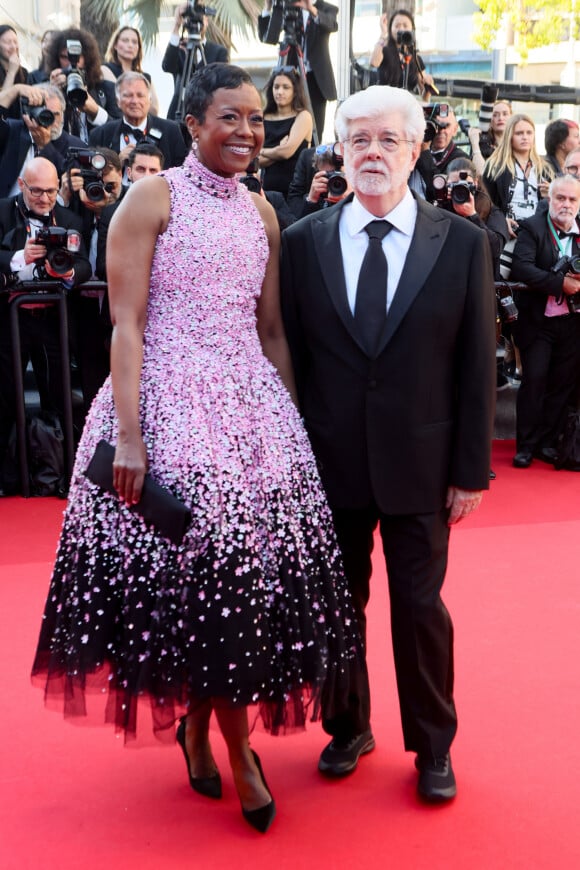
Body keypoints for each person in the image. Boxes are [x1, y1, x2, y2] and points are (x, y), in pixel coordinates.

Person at [31, 63, 360, 834]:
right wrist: (133, 437)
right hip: (168, 407)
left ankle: (206, 728)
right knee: (211, 566)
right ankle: (236, 744)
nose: (246, 131)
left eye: (255, 119)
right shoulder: (151, 198)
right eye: (229, 117)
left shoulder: (264, 212)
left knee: (248, 578)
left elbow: (271, 329)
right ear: (193, 124)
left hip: (251, 412)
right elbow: (128, 325)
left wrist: (290, 430)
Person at [281, 85, 496, 803]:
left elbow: (475, 366)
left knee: (420, 609)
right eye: (358, 140)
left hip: (423, 465)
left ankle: (434, 746)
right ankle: (349, 727)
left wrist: (470, 470)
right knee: (338, 606)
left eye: (387, 140)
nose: (372, 153)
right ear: (340, 149)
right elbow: (295, 361)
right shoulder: (303, 241)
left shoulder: (463, 243)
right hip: (329, 462)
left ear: (415, 149)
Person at [0, 157, 91, 495]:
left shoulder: (67, 218)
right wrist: (19, 258)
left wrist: (65, 272)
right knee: (7, 399)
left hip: (54, 321)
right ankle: (9, 478)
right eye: (37, 191)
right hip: (11, 320)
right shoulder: (3, 213)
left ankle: (63, 473)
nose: (44, 199)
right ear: (22, 185)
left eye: (52, 191)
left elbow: (83, 265)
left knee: (60, 397)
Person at [509, 174, 580, 468]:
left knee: (561, 385)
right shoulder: (533, 227)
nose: (566, 204)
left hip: (573, 324)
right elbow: (521, 268)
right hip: (538, 323)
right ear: (549, 199)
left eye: (572, 199)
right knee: (534, 382)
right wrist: (558, 283)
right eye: (560, 198)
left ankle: (547, 443)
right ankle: (525, 445)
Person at [259, 0, 338, 143]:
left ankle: (313, 162)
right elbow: (269, 38)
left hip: (316, 79)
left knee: (316, 130)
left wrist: (310, 9)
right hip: (291, 77)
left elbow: (332, 25)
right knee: (288, 126)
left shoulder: (327, 8)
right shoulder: (284, 6)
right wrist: (268, 7)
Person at [88, 71, 187, 171]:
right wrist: (116, 165)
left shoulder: (171, 131)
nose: (135, 101)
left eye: (140, 95)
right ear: (118, 101)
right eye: (128, 95)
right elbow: (92, 176)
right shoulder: (100, 135)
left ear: (150, 100)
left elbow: (182, 175)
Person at [0, 82, 86, 197]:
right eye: (44, 114)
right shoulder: (13, 131)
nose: (50, 122)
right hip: (7, 209)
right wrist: (15, 89)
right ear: (28, 113)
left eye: (55, 115)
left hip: (50, 212)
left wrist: (45, 146)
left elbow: (69, 184)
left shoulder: (76, 146)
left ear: (63, 114)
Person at [47, 28, 121, 142]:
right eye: (64, 57)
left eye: (76, 56)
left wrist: (96, 112)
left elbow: (119, 133)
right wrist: (52, 94)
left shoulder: (107, 89)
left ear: (87, 57)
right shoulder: (46, 88)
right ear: (56, 59)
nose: (71, 63)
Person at [163, 2, 228, 121]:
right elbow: (167, 66)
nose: (196, 21)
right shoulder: (180, 47)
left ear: (206, 21)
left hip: (207, 112)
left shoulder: (219, 51)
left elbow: (222, 82)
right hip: (179, 111)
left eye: (200, 17)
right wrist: (176, 26)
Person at [258, 67, 312, 198]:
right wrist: (279, 150)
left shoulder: (303, 116)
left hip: (295, 192)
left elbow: (286, 152)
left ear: (295, 91)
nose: (280, 92)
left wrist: (262, 151)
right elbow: (255, 161)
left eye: (286, 87)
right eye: (276, 87)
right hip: (267, 192)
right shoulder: (263, 117)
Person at [370, 9, 434, 96]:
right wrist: (383, 34)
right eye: (397, 25)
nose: (401, 29)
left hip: (406, 107)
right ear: (390, 29)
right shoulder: (383, 50)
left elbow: (424, 98)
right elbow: (374, 62)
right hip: (384, 105)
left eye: (405, 25)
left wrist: (428, 87)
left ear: (412, 29)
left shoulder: (416, 58)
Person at [102, 25, 160, 116]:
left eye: (134, 42)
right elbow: (117, 102)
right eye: (125, 41)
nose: (130, 45)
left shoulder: (146, 77)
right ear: (115, 45)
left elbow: (154, 110)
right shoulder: (106, 69)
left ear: (138, 48)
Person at [468, 99, 511, 175]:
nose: (500, 118)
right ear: (489, 120)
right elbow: (481, 174)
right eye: (495, 115)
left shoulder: (516, 143)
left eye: (505, 114)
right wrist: (475, 144)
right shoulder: (482, 144)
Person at [0, 24, 28, 118]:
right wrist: (11, 72)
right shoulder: (12, 70)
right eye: (8, 42)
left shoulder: (24, 73)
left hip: (19, 127)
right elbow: (2, 104)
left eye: (15, 42)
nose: (13, 46)